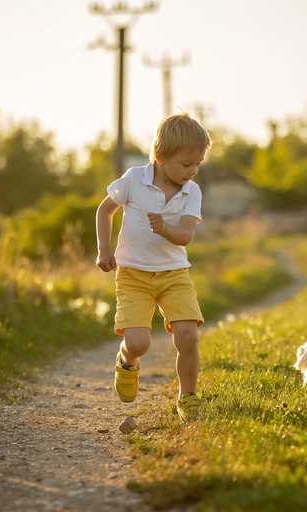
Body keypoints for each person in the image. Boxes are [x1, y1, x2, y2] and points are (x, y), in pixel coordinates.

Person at [95, 113, 212, 423]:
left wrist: (164, 228)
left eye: (198, 164)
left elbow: (185, 235)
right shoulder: (134, 179)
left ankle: (188, 397)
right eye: (186, 164)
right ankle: (127, 359)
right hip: (133, 275)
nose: (193, 170)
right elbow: (104, 211)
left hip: (175, 274)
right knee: (139, 343)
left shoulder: (192, 191)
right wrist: (104, 249)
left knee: (188, 336)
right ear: (161, 156)